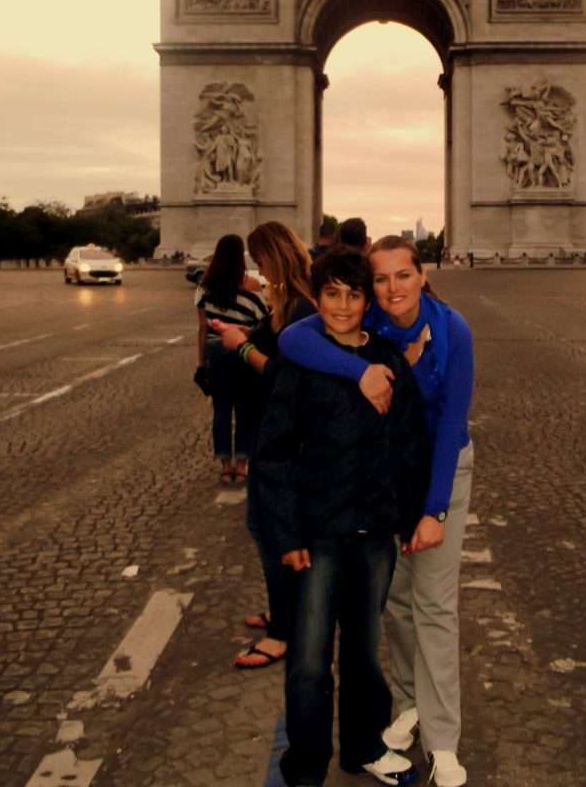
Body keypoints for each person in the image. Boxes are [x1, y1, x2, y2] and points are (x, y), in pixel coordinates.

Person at [280, 235, 474, 787]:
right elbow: (296, 337)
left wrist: (433, 510)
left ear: (423, 275)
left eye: (403, 276)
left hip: (440, 470)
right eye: (380, 279)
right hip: (385, 479)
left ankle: (442, 741)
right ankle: (410, 702)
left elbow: (451, 426)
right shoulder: (374, 323)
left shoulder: (452, 329)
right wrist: (358, 372)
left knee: (433, 605)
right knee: (393, 604)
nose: (392, 289)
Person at [257, 247, 430, 787]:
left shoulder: (388, 358)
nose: (342, 305)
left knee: (362, 658)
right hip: (316, 533)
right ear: (318, 294)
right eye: (331, 293)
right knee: (309, 662)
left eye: (354, 295)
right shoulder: (300, 360)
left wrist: (411, 516)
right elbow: (273, 454)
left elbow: (409, 443)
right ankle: (306, 768)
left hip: (373, 532)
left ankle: (361, 748)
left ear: (365, 300)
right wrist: (284, 534)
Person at [211, 221, 315, 670]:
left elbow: (288, 379)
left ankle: (283, 633)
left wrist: (239, 347)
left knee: (272, 531)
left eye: (259, 259)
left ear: (271, 256)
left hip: (286, 442)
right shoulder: (290, 301)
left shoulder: (298, 308)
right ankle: (283, 611)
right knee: (265, 527)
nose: (256, 268)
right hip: (273, 434)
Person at [194, 234, 267, 484]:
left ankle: (225, 467)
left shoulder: (205, 286)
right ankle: (242, 464)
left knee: (221, 411)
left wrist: (200, 363)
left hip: (217, 354)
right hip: (243, 353)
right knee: (246, 412)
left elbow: (203, 328)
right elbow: (262, 323)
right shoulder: (253, 286)